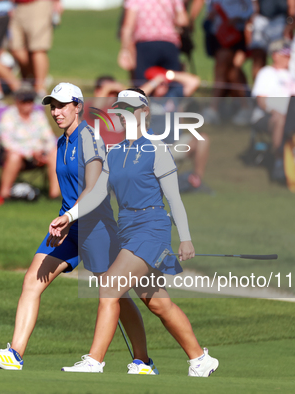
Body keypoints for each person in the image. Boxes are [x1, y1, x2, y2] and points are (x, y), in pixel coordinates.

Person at [0, 83, 159, 375]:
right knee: (32, 281)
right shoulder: (62, 142)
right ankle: (14, 354)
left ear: (78, 106)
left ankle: (142, 361)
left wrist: (70, 216)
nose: (56, 111)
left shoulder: (89, 138)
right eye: (53, 105)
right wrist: (67, 219)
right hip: (69, 227)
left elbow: (95, 188)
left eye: (63, 105)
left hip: (96, 226)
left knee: (115, 295)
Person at [49, 89, 218, 376]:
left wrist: (186, 237)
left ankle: (94, 360)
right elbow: (95, 193)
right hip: (126, 229)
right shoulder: (113, 153)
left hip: (151, 228)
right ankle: (200, 358)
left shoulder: (157, 149)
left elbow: (174, 198)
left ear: (144, 111)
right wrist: (68, 216)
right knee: (156, 301)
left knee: (109, 286)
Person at [140, 66, 209, 191]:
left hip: (176, 143)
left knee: (202, 139)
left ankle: (196, 181)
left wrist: (170, 75)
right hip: (153, 148)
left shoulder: (174, 94)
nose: (164, 85)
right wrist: (155, 81)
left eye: (165, 83)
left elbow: (194, 82)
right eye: (160, 84)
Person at [0, 84, 60, 205]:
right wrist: (31, 153)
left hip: (38, 155)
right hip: (15, 156)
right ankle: (4, 195)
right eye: (25, 101)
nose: (28, 104)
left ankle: (55, 195)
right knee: (14, 156)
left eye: (30, 101)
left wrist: (42, 153)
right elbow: (6, 142)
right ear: (17, 101)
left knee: (56, 152)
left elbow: (49, 138)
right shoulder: (8, 116)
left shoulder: (38, 116)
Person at [251, 39, 295, 180]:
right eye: (285, 54)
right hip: (268, 116)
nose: (289, 57)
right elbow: (261, 100)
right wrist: (274, 110)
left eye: (289, 54)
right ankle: (279, 160)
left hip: (294, 115)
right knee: (280, 119)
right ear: (275, 55)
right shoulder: (266, 73)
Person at [201, 0, 254, 126]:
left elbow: (250, 8)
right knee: (230, 71)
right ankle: (245, 106)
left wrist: (239, 18)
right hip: (218, 31)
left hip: (233, 32)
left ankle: (214, 108)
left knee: (223, 69)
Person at [118, 0, 188, 86]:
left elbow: (128, 25)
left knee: (143, 83)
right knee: (171, 83)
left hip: (145, 45)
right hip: (169, 44)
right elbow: (182, 20)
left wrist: (125, 49)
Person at [9, 0, 62, 96]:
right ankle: (35, 77)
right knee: (15, 48)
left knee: (37, 49)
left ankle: (40, 89)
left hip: (38, 4)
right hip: (17, 5)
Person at [246, 0, 294, 79]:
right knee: (258, 58)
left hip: (280, 21)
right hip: (261, 19)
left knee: (280, 58)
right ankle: (259, 88)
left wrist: (290, 23)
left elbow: (292, 5)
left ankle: (277, 88)